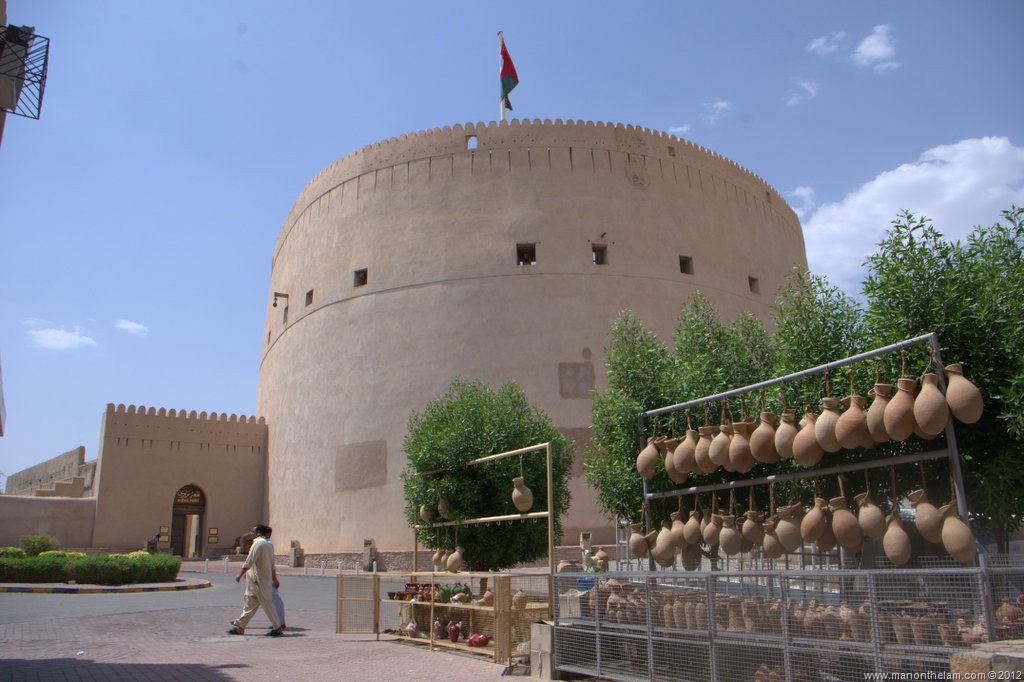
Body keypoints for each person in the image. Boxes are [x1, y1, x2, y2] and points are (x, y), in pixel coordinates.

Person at [228, 524, 284, 636]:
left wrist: (240, 575)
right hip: (260, 581)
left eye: (253, 532)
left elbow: (250, 560)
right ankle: (240, 626)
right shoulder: (268, 544)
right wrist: (274, 579)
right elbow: (272, 565)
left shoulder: (258, 543)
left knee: (266, 605)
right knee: (250, 605)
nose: (251, 534)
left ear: (259, 533)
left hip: (258, 581)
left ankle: (277, 627)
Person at [264, 526, 286, 629]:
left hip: (266, 577)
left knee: (275, 599)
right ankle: (241, 622)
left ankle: (280, 622)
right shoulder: (263, 543)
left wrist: (274, 578)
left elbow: (271, 563)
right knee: (251, 600)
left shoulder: (267, 544)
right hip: (260, 577)